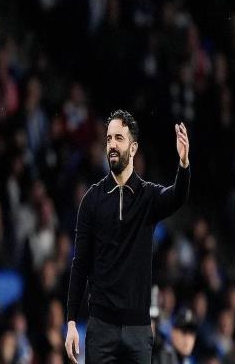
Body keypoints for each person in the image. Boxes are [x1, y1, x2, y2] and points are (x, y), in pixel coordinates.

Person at [64, 110, 190, 363]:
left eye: (119, 138)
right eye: (109, 138)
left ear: (133, 148)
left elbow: (177, 197)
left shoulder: (148, 197)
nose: (112, 144)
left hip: (138, 331)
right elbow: (80, 264)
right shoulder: (91, 200)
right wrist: (71, 322)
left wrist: (184, 163)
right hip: (101, 329)